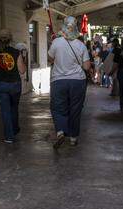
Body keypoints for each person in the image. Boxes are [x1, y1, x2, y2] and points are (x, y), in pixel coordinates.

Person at [48, 16, 91, 148]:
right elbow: (87, 67)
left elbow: (49, 59)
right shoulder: (81, 45)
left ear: (64, 27)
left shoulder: (56, 42)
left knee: (57, 107)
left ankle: (61, 131)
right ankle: (73, 138)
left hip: (58, 81)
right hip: (77, 82)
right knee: (75, 109)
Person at [0, 29, 26, 144]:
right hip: (15, 84)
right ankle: (14, 129)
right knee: (14, 108)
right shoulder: (15, 52)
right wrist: (23, 59)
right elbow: (22, 71)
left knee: (5, 111)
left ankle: (9, 137)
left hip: (1, 85)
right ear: (10, 39)